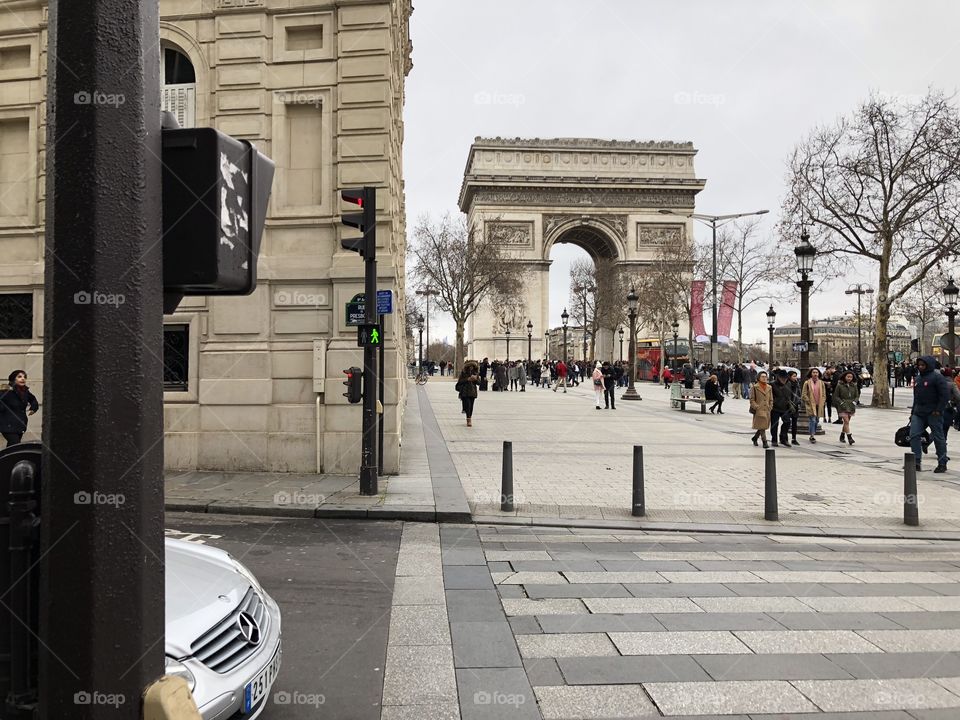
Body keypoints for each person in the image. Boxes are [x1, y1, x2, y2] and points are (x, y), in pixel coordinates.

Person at [910, 355, 950, 473]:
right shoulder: (917, 379)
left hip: (933, 412)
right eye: (919, 365)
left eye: (923, 365)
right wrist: (913, 412)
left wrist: (938, 409)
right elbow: (916, 397)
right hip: (919, 412)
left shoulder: (937, 378)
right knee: (914, 435)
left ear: (929, 365)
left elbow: (944, 395)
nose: (921, 367)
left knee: (938, 437)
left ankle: (942, 462)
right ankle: (916, 461)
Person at [0, 370, 39, 447]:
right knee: (15, 444)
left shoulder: (25, 391)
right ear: (13, 379)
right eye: (19, 377)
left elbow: (33, 399)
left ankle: (8, 459)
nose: (23, 379)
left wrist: (33, 408)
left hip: (20, 424)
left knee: (12, 447)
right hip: (7, 425)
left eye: (24, 377)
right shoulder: (6, 390)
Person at [834, 369, 860, 445]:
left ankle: (842, 435)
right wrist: (841, 403)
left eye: (851, 377)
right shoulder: (839, 385)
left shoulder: (854, 386)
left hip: (851, 405)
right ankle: (849, 437)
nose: (849, 378)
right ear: (844, 377)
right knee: (846, 421)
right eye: (848, 377)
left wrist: (855, 402)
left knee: (846, 422)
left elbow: (857, 395)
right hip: (842, 406)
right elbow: (836, 396)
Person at [801, 367, 826, 443]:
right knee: (812, 420)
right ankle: (812, 435)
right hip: (811, 405)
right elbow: (803, 394)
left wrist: (823, 401)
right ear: (811, 374)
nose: (815, 374)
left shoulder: (821, 383)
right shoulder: (807, 383)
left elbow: (824, 394)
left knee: (817, 420)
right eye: (813, 372)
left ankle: (813, 432)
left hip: (819, 404)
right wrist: (808, 400)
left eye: (816, 372)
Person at [770, 369, 794, 448]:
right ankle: (774, 440)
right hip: (775, 408)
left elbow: (790, 394)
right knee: (774, 425)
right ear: (778, 378)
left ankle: (783, 438)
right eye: (782, 378)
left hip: (785, 408)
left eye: (785, 378)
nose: (784, 380)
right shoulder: (772, 385)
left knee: (787, 422)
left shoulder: (789, 384)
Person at [749, 371, 773, 448]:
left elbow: (771, 399)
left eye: (765, 376)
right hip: (759, 409)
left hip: (767, 409)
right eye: (762, 376)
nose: (764, 378)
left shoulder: (769, 387)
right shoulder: (755, 387)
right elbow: (752, 399)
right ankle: (764, 441)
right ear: (759, 378)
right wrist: (756, 407)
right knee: (762, 427)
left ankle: (755, 438)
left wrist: (770, 406)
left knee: (763, 426)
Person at [456, 361, 480, 427]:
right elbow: (460, 382)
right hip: (465, 392)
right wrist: (467, 379)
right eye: (470, 367)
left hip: (473, 392)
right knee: (468, 406)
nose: (471, 368)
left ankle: (469, 417)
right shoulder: (464, 373)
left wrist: (475, 379)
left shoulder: (476, 373)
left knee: (471, 406)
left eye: (472, 367)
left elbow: (479, 383)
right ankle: (468, 420)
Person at [786, 370, 801, 445]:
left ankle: (794, 438)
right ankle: (784, 437)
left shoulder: (797, 383)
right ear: (789, 376)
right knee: (787, 422)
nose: (795, 377)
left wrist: (799, 402)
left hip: (795, 405)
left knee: (794, 423)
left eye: (796, 376)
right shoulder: (787, 384)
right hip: (787, 406)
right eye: (794, 376)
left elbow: (798, 394)